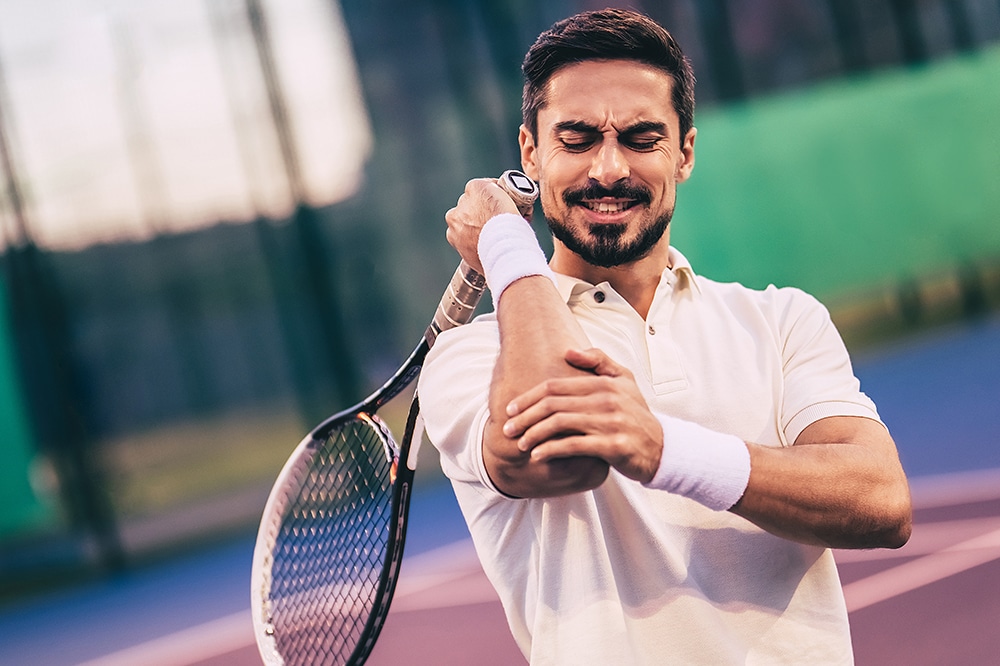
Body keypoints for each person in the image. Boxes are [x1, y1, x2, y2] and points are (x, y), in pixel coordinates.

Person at [418, 8, 912, 664]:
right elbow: (564, 455)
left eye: (642, 137)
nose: (609, 168)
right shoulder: (470, 357)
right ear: (530, 155)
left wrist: (664, 448)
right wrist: (507, 245)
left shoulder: (783, 319)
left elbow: (881, 500)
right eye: (577, 139)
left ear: (684, 153)